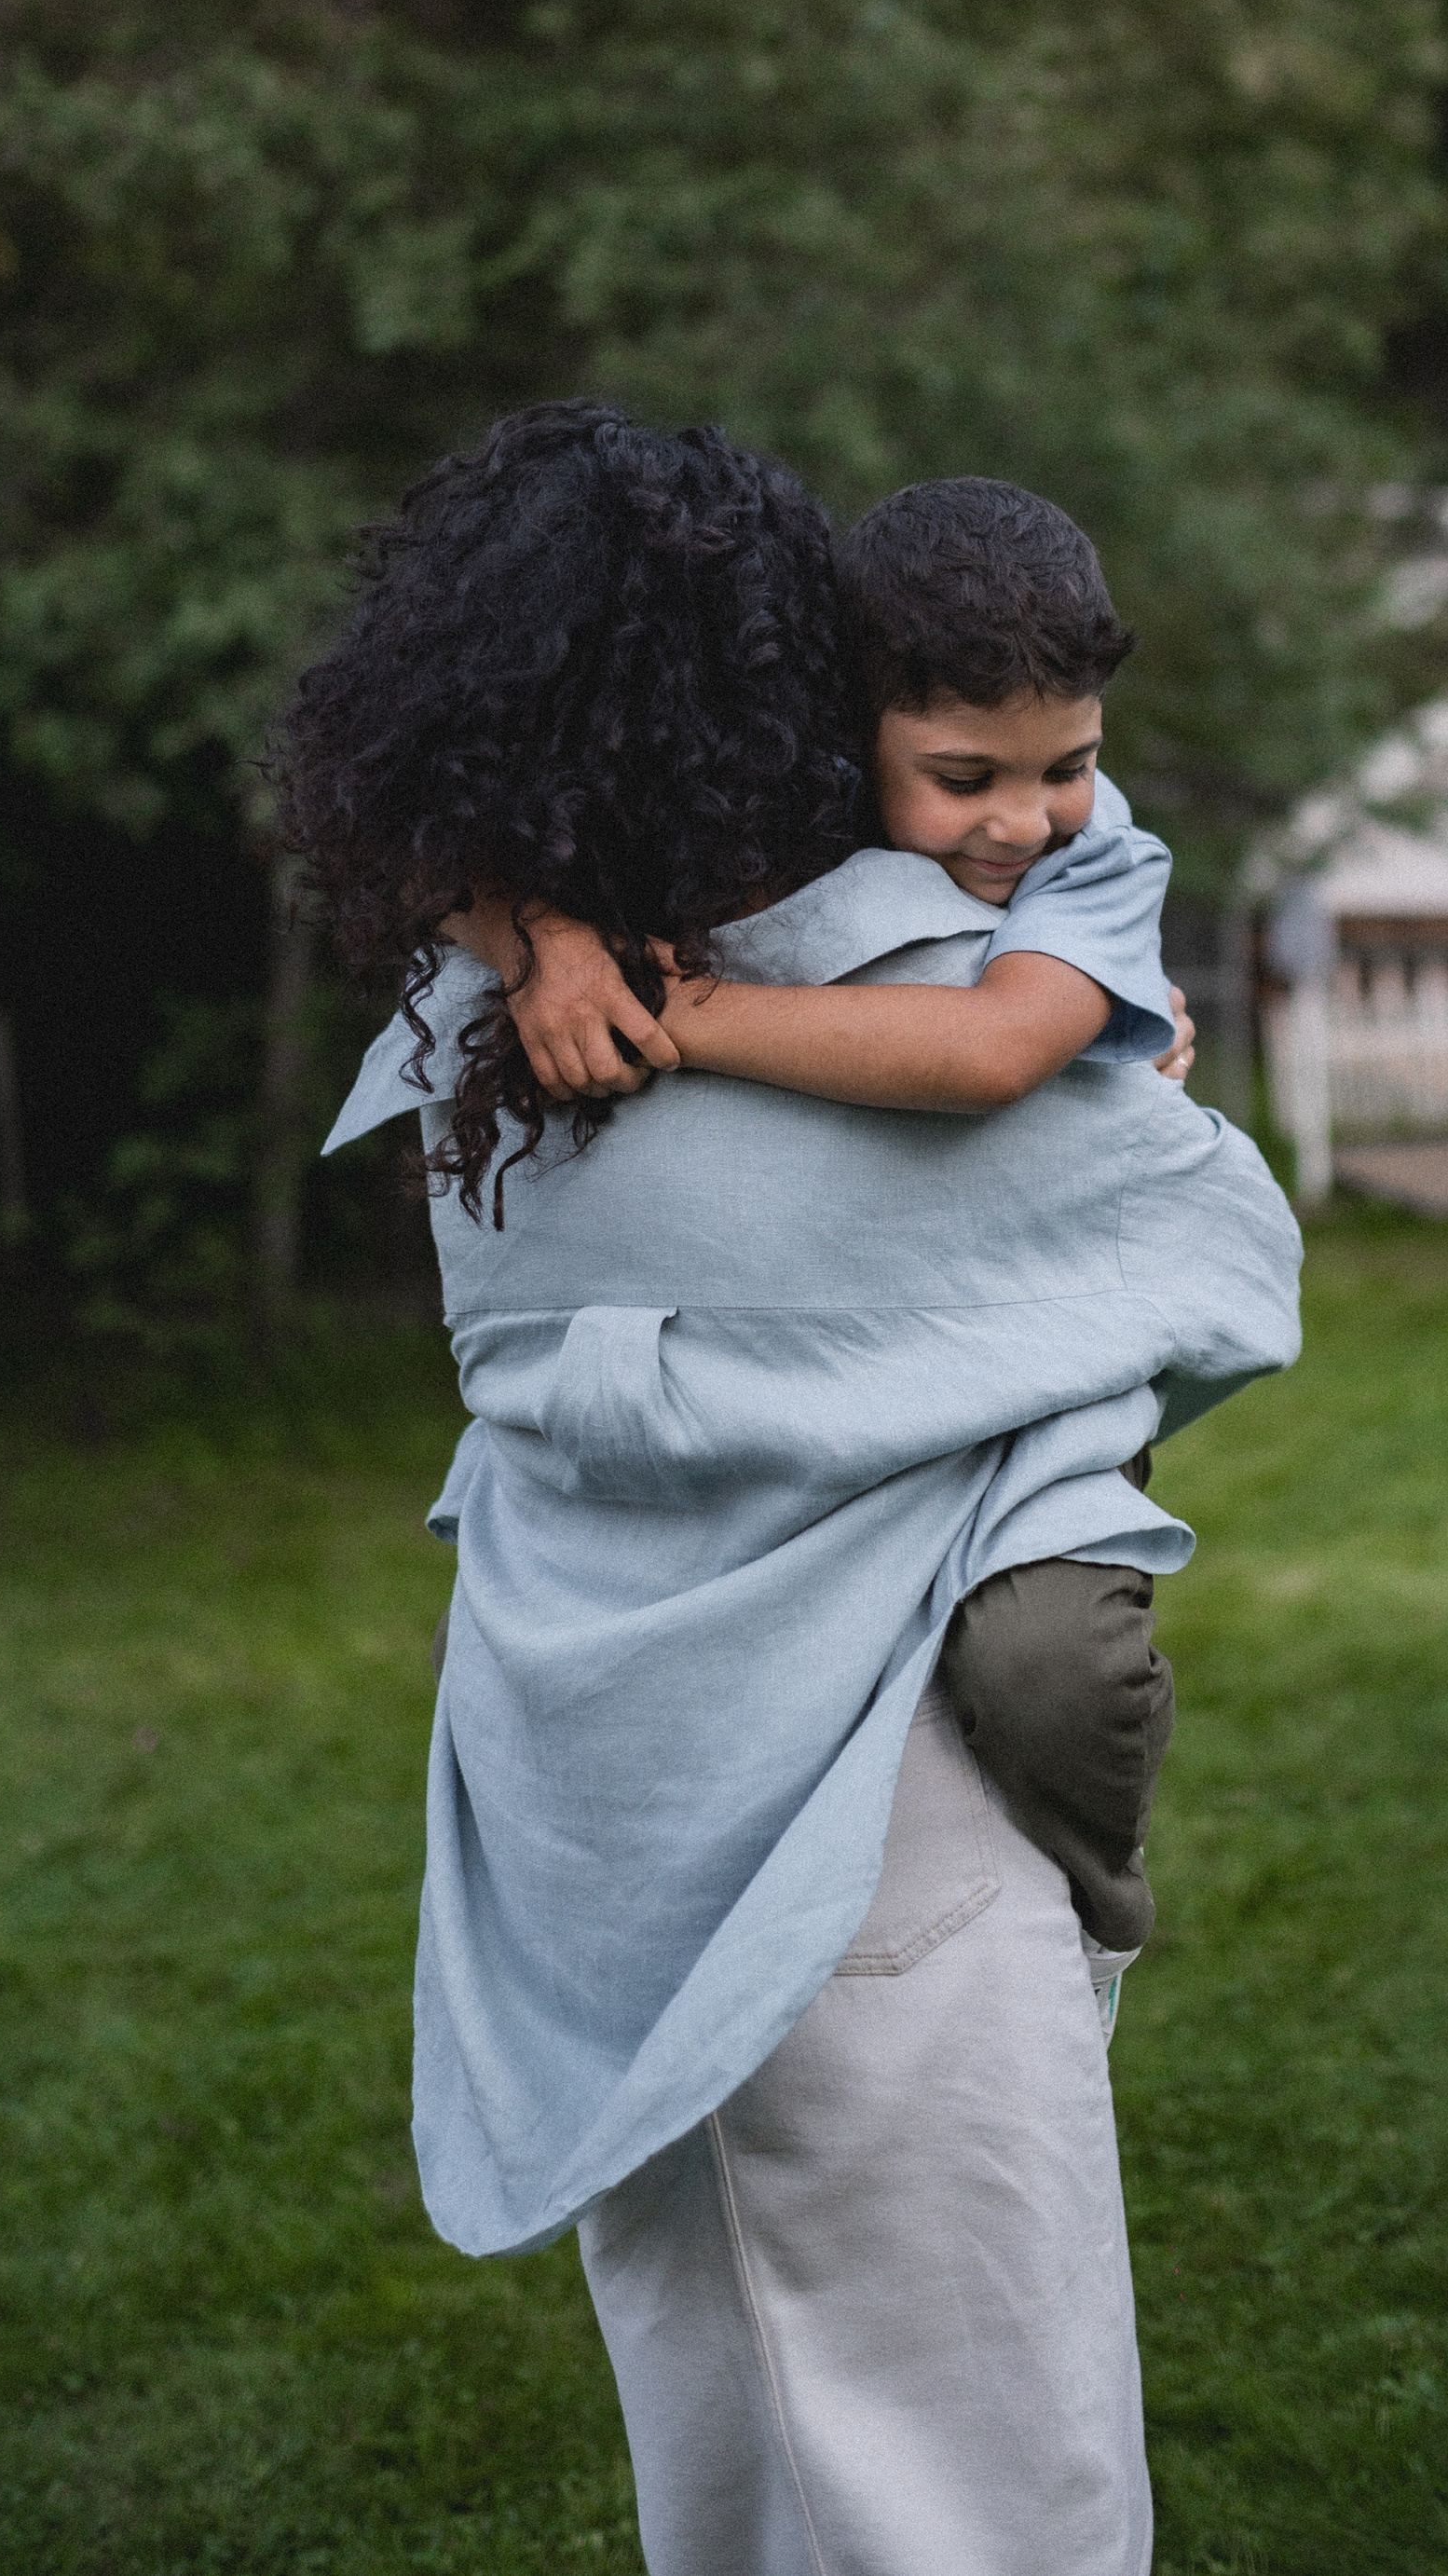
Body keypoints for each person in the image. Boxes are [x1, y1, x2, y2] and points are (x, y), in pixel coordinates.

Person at [277, 402, 1302, 2576]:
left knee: (725, 2426)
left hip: (587, 1805)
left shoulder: (477, 1033)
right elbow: (1199, 1249)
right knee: (972, 2445)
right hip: (863, 1808)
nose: (1015, 813)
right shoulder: (879, 974)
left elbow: (453, 876)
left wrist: (545, 935)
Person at [450, 473, 1198, 1975]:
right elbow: (436, 861)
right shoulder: (752, 822)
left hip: (1022, 1329)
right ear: (848, 726)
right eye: (965, 772)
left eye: (1066, 764)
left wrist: (678, 1008)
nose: (1022, 820)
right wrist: (545, 938)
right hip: (791, 1366)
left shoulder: (1094, 855)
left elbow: (990, 1051)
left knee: (1054, 1661)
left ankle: (1095, 1902)